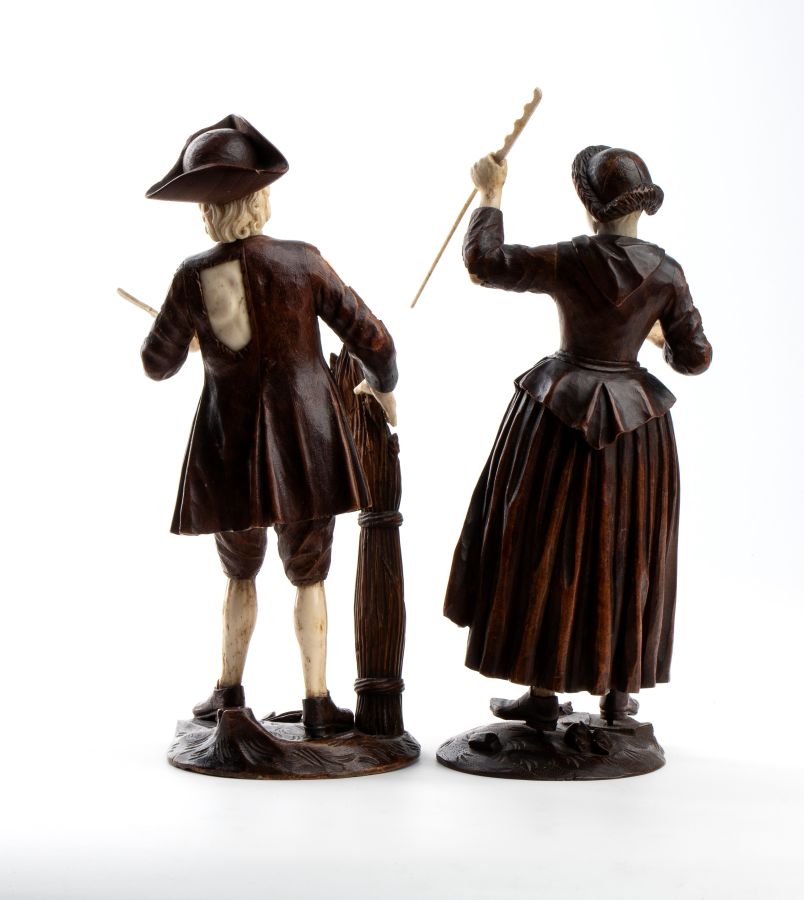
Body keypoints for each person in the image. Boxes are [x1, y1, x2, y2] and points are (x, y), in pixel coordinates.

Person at [141, 115, 397, 738]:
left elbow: (155, 363)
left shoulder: (194, 276)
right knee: (310, 572)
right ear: (260, 201)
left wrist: (197, 337)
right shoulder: (301, 262)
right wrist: (383, 385)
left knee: (239, 571)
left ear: (207, 212)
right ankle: (317, 703)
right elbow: (375, 340)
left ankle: (228, 691)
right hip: (306, 443)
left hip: (229, 449)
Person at [444, 145, 711, 730]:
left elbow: (485, 263)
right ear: (640, 208)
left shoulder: (571, 259)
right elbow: (695, 357)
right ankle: (616, 696)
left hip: (560, 417)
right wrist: (655, 336)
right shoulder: (667, 274)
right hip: (636, 432)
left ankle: (543, 694)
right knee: (626, 551)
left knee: (548, 544)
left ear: (591, 209)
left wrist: (491, 192)